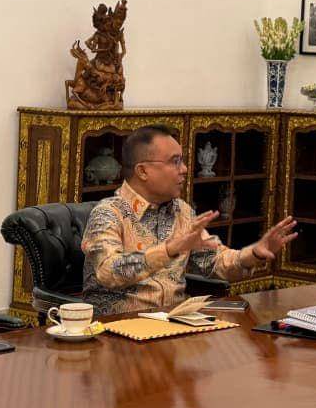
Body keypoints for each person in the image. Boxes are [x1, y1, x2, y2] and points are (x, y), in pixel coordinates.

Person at [81, 125, 298, 314]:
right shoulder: (108, 213)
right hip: (117, 332)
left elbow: (214, 262)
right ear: (143, 171)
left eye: (182, 161)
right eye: (175, 162)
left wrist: (254, 253)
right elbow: (107, 271)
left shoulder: (181, 211)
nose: (184, 169)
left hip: (173, 325)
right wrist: (168, 250)